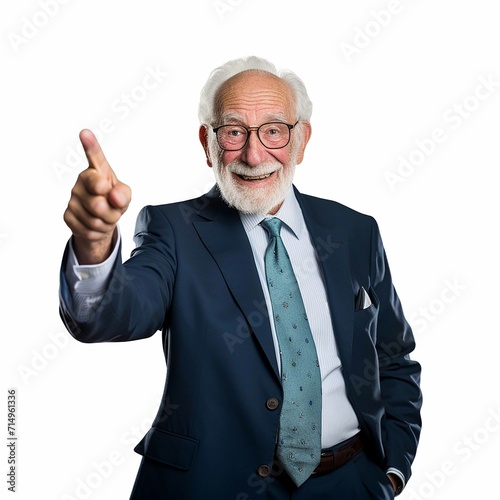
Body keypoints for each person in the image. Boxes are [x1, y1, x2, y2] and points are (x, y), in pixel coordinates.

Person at [59, 56, 422, 499]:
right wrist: (94, 245)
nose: (254, 154)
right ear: (207, 142)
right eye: (233, 132)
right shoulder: (173, 230)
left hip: (350, 482)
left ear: (301, 140)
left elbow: (394, 358)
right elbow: (114, 313)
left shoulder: (354, 231)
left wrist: (390, 473)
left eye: (273, 130)